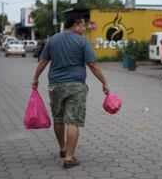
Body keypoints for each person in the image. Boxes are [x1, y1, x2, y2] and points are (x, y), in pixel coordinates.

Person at [31, 13, 110, 169]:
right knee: (72, 121)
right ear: (74, 25)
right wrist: (104, 82)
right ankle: (69, 158)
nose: (85, 28)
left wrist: (35, 79)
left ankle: (62, 148)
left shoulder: (52, 40)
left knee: (59, 118)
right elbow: (93, 65)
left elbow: (43, 61)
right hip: (76, 85)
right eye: (82, 25)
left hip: (55, 85)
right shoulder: (82, 42)